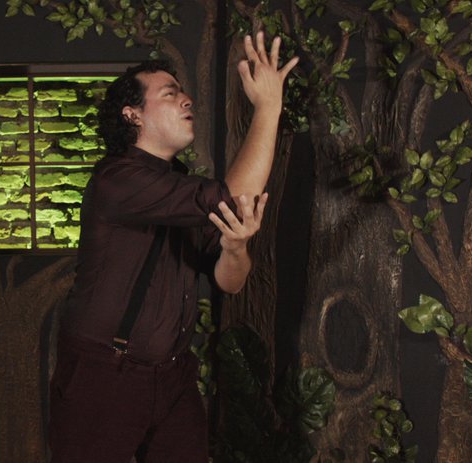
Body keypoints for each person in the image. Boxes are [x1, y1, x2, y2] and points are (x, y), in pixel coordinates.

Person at [49, 32, 298, 463]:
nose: (187, 100)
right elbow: (235, 198)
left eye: (183, 92)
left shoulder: (177, 186)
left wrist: (235, 248)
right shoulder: (117, 180)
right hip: (104, 374)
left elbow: (230, 282)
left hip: (174, 376)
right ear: (133, 115)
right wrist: (268, 107)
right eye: (169, 93)